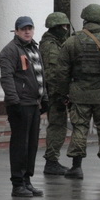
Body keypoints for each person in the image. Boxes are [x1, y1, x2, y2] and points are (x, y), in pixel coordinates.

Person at [56, 3, 100, 180]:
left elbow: (61, 72)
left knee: (79, 128)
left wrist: (65, 93)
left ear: (84, 18)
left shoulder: (72, 41)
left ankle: (76, 168)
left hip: (78, 93)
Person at [0, 16, 49, 197]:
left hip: (33, 103)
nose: (27, 31)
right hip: (20, 104)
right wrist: (14, 101)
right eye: (23, 29)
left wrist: (45, 98)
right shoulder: (10, 51)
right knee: (20, 145)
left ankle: (27, 180)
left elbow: (40, 76)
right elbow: (6, 78)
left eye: (30, 28)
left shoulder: (35, 49)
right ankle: (17, 184)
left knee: (32, 145)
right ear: (17, 31)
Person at [39, 12, 72, 176]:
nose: (66, 29)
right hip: (54, 94)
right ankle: (51, 161)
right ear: (56, 28)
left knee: (58, 127)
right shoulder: (51, 47)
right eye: (63, 27)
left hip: (54, 93)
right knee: (57, 127)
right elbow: (52, 74)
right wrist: (60, 94)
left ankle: (52, 160)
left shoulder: (56, 43)